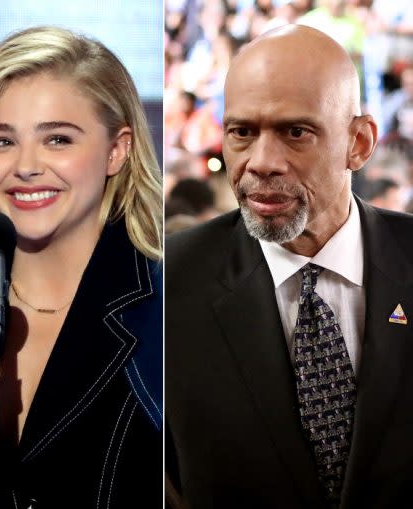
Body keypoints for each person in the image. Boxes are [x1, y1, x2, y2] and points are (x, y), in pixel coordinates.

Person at [165, 23, 413, 508]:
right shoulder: (165, 286)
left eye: (295, 132)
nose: (261, 162)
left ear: (359, 143)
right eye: (241, 132)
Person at [0, 26, 163, 507]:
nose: (26, 166)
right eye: (2, 142)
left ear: (117, 150)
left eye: (56, 139)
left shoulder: (170, 314)